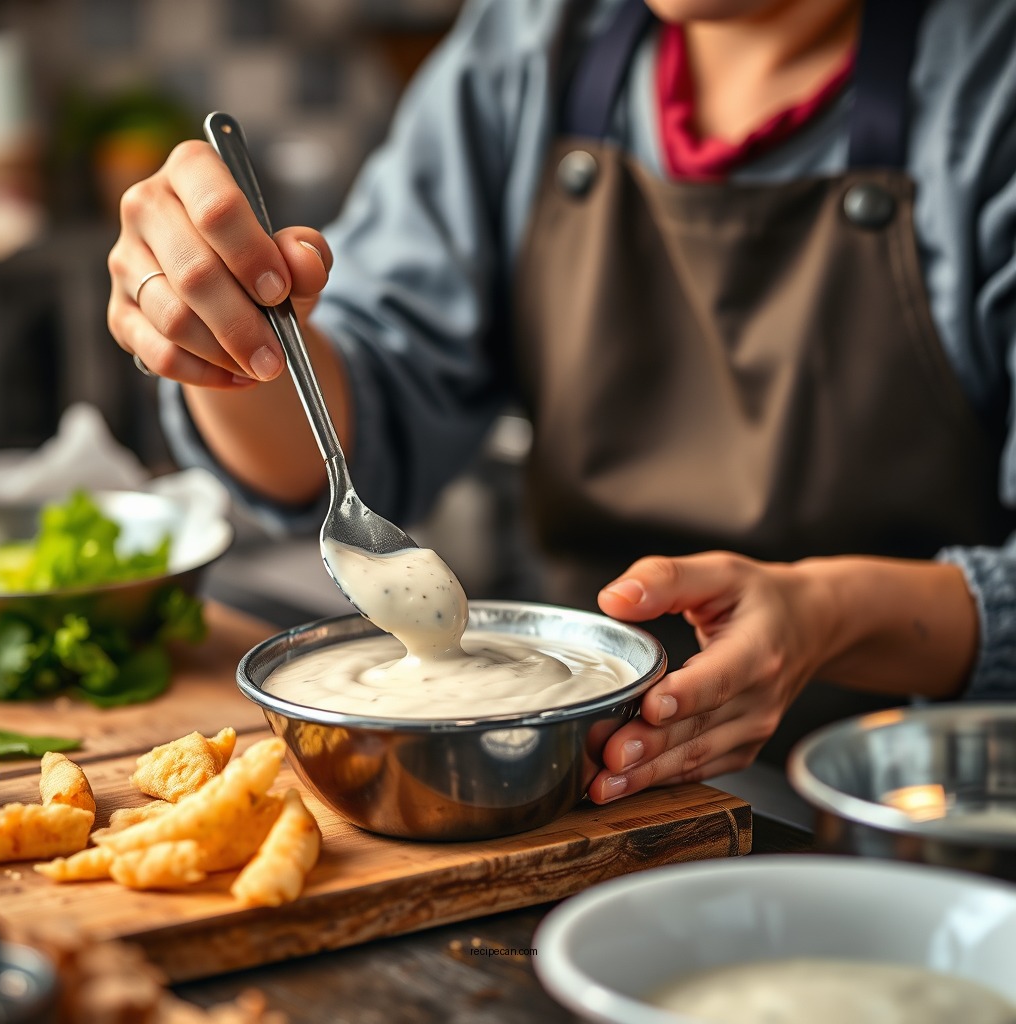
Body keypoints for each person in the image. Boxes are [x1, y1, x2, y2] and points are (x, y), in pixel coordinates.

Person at [106, 0, 1016, 805]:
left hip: (927, 804)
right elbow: (362, 423)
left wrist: (830, 616)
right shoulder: (534, 37)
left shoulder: (987, 80)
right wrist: (235, 338)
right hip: (568, 784)